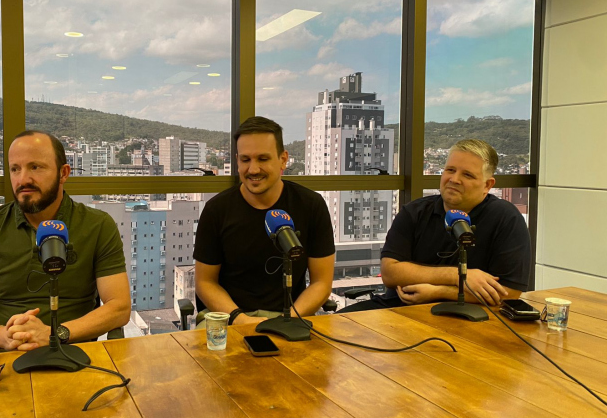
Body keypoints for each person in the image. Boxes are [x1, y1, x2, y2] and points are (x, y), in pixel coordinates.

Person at [0, 130, 131, 356]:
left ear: (64, 173)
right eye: (15, 169)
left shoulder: (97, 225)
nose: (23, 179)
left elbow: (118, 308)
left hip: (71, 354)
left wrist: (55, 333)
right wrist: (0, 336)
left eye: (35, 167)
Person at [340, 139, 531, 312]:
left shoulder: (506, 218)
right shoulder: (414, 212)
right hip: (400, 308)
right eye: (450, 170)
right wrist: (459, 276)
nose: (454, 179)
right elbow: (390, 273)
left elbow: (509, 293)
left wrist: (438, 291)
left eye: (467, 175)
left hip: (474, 315)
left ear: (487, 185)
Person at [193, 116, 335, 327]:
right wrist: (240, 320)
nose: (253, 169)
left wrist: (288, 321)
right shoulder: (217, 210)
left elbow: (321, 282)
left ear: (283, 160)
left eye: (263, 159)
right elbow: (205, 283)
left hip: (291, 317)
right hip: (230, 317)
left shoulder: (311, 205)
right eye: (245, 159)